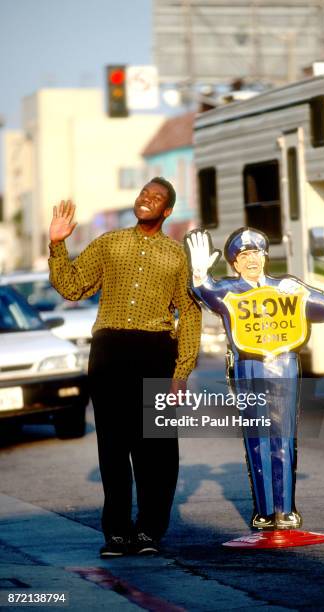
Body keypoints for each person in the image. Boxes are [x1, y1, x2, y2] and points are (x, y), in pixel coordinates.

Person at [48, 178, 201, 557]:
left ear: (167, 211)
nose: (146, 199)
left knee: (157, 449)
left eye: (156, 198)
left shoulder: (177, 255)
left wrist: (181, 371)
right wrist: (57, 243)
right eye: (144, 193)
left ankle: (149, 530)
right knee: (113, 447)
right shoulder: (109, 243)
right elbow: (72, 286)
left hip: (155, 352)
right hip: (110, 351)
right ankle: (116, 533)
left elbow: (191, 313)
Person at [185, 227, 324, 530]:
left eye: (256, 252)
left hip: (283, 365)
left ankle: (285, 509)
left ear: (265, 255)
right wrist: (201, 275)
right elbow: (207, 294)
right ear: (235, 264)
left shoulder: (285, 286)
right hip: (248, 367)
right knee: (257, 439)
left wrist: (305, 293)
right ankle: (266, 510)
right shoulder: (230, 290)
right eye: (243, 255)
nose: (251, 259)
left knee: (283, 437)